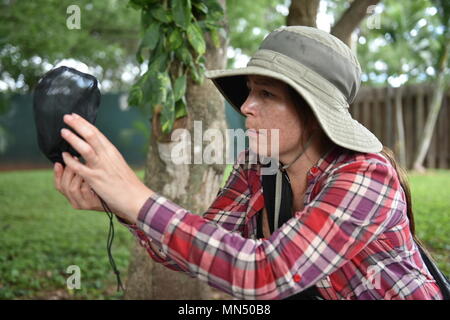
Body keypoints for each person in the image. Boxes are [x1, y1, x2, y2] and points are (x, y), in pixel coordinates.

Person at [53, 26, 443, 300]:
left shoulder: (365, 175)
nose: (245, 107)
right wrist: (118, 203)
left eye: (267, 94)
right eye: (250, 91)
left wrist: (136, 195)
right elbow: (200, 247)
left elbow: (265, 274)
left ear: (313, 113)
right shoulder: (259, 165)